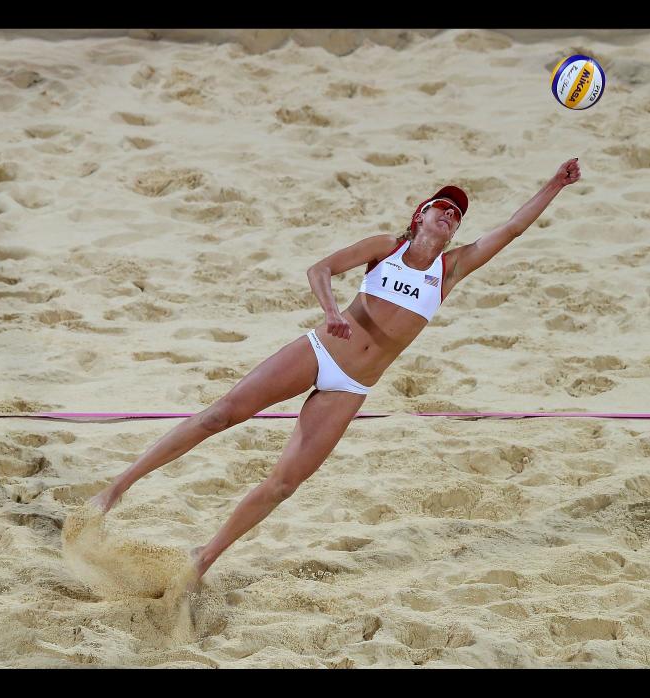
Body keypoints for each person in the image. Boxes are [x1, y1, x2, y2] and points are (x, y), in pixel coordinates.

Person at [88, 158, 582, 585]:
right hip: (319, 351)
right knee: (219, 415)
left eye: (456, 214)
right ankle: (116, 487)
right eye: (442, 206)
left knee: (284, 484)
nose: (450, 214)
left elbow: (514, 228)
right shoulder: (385, 247)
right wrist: (330, 312)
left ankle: (203, 559)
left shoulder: (450, 270)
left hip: (351, 387)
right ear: (420, 215)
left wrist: (555, 185)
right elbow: (319, 270)